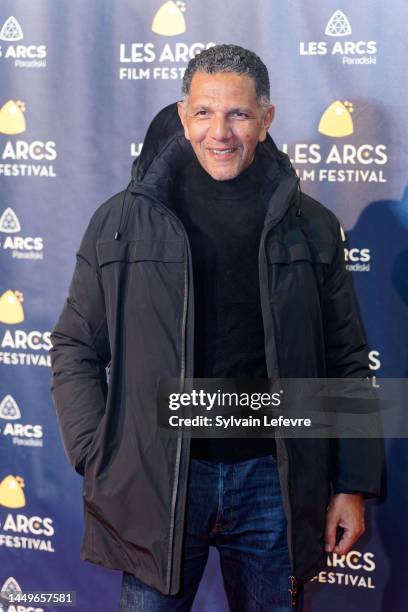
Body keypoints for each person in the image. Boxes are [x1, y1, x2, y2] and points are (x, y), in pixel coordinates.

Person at [51, 45, 382, 611]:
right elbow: (77, 346)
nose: (220, 132)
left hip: (272, 485)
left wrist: (350, 484)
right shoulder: (121, 221)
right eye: (205, 112)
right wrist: (99, 453)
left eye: (239, 114)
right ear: (183, 115)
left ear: (266, 118)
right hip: (159, 483)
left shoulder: (312, 226)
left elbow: (347, 358)